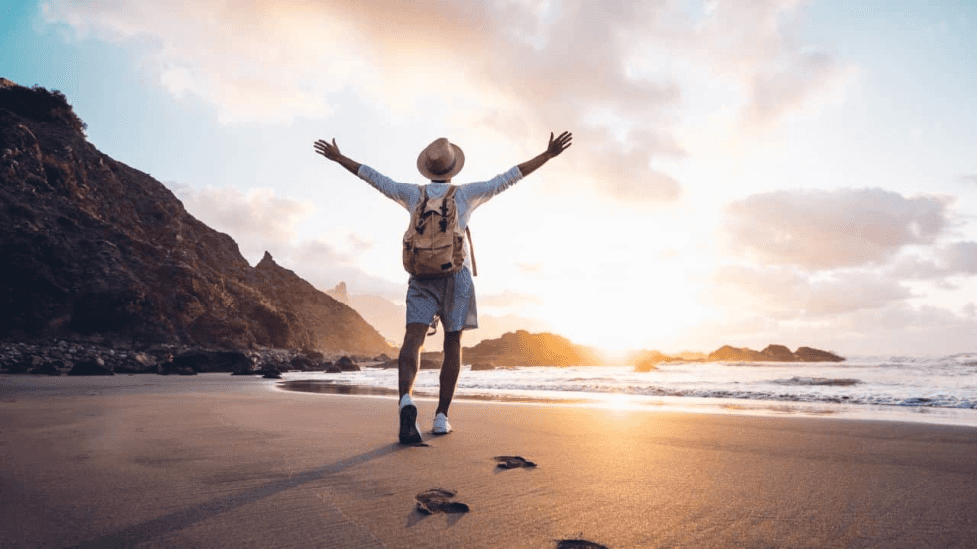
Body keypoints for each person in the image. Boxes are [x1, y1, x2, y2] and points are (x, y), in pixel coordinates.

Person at [314, 131, 572, 444]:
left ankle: (406, 401)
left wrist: (340, 158)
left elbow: (375, 178)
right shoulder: (465, 194)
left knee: (414, 339)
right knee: (453, 342)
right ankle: (440, 417)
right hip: (456, 276)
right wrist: (546, 156)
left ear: (428, 169)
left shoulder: (412, 194)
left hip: (421, 277)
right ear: (452, 169)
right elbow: (508, 178)